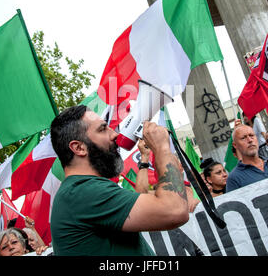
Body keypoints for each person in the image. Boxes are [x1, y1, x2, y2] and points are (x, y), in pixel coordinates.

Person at [50, 105, 189, 256]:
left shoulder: (80, 191)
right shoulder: (83, 192)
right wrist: (162, 147)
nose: (115, 135)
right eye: (103, 129)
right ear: (79, 148)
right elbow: (175, 210)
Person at [135, 139, 200, 212]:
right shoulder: (161, 194)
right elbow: (142, 194)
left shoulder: (198, 187)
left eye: (170, 164)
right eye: (161, 167)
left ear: (181, 167)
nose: (166, 169)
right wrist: (144, 157)